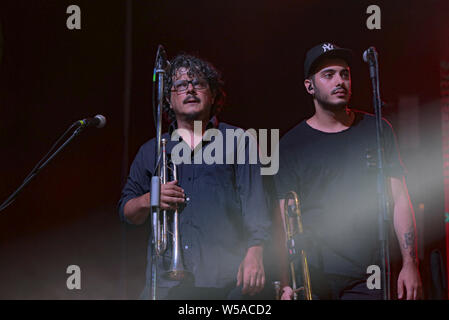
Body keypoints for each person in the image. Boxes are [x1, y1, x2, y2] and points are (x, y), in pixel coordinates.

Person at [274, 43, 422, 300]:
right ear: (310, 86)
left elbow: (400, 199)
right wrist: (286, 282)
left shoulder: (376, 130)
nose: (340, 81)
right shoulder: (290, 145)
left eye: (345, 74)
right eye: (328, 75)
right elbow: (283, 221)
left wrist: (410, 264)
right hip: (316, 276)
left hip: (369, 274)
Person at [118, 53, 272, 299]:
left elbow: (256, 206)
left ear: (212, 95)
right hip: (166, 284)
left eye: (199, 83)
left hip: (226, 281)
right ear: (168, 98)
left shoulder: (239, 140)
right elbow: (126, 212)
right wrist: (150, 198)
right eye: (180, 85)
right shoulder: (153, 149)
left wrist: (256, 252)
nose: (190, 89)